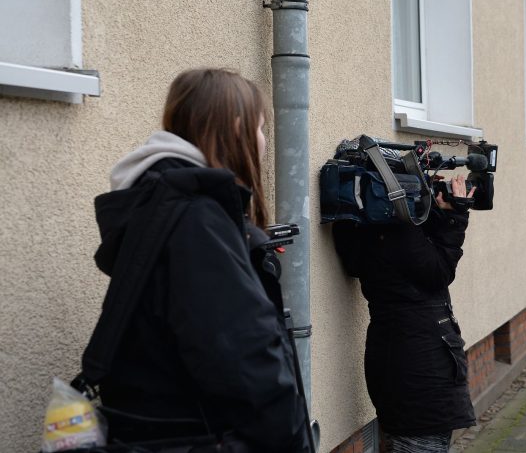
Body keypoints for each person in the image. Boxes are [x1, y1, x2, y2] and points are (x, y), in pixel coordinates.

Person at [88, 69, 310, 451]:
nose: (263, 142)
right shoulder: (196, 220)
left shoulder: (163, 205)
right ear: (237, 127)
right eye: (260, 128)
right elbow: (248, 363)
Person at [332, 174, 477, 452]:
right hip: (421, 379)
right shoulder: (400, 233)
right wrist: (455, 217)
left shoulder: (366, 229)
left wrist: (433, 213)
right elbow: (438, 272)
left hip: (395, 366)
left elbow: (408, 263)